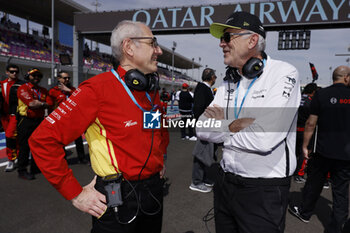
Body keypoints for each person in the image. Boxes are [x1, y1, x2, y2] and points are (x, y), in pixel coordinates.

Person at [29, 20, 169, 233]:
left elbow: (156, 130)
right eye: (153, 43)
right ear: (129, 47)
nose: (158, 50)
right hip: (118, 198)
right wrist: (75, 193)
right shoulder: (96, 89)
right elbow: (42, 139)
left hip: (153, 191)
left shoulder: (151, 90)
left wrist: (157, 160)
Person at [196, 11, 300, 233]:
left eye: (227, 37)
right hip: (225, 184)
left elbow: (265, 138)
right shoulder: (228, 81)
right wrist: (238, 124)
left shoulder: (283, 73)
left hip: (263, 190)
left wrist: (224, 124)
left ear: (253, 40)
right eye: (221, 39)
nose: (221, 44)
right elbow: (202, 127)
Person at [289, 65, 350, 233]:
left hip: (322, 149)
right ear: (346, 78)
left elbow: (311, 123)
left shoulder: (321, 94)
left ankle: (305, 212)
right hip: (345, 153)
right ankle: (337, 227)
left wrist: (304, 146)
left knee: (314, 183)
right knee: (341, 192)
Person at [17, 68, 53, 180]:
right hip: (26, 120)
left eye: (38, 76)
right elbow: (32, 104)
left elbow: (51, 103)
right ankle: (22, 171)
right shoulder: (23, 88)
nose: (36, 78)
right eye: (34, 75)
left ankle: (35, 168)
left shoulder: (43, 90)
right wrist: (43, 104)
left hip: (39, 120)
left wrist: (40, 104)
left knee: (37, 146)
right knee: (24, 146)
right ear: (28, 76)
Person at [49, 71, 88, 164]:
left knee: (78, 140)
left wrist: (68, 90)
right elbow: (50, 105)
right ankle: (63, 160)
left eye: (68, 78)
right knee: (61, 141)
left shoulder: (72, 89)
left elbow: (81, 98)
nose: (67, 80)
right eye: (64, 78)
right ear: (59, 79)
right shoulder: (53, 91)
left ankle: (82, 158)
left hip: (73, 119)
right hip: (60, 120)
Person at [190, 68, 217, 193]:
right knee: (201, 153)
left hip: (208, 125)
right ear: (211, 77)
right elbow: (199, 108)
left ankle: (205, 178)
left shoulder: (205, 88)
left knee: (207, 153)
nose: (216, 78)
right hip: (205, 126)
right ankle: (196, 181)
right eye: (215, 76)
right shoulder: (202, 88)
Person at [294, 82, 318, 183]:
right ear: (313, 92)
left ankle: (291, 170)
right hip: (305, 130)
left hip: (294, 129)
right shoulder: (311, 102)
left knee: (294, 152)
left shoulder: (297, 98)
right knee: (305, 152)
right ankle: (299, 174)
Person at [1, 64, 22, 172]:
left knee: (10, 135)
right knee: (12, 136)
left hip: (15, 115)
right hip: (4, 116)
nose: (14, 73)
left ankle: (11, 159)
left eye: (16, 72)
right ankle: (17, 156)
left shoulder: (21, 84)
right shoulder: (1, 84)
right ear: (7, 72)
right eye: (12, 71)